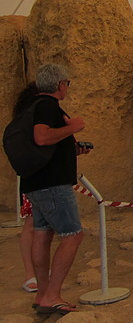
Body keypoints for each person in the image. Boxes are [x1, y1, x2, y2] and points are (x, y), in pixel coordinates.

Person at [20, 63, 91, 316]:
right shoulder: (48, 106)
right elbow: (42, 138)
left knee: (42, 234)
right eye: (68, 84)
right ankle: (52, 295)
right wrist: (74, 127)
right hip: (53, 185)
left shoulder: (31, 106)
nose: (68, 88)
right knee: (72, 235)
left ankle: (42, 294)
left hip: (36, 183)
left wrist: (72, 150)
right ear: (61, 84)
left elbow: (47, 144)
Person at [13, 81, 41, 294]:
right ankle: (30, 274)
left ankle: (38, 272)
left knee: (42, 225)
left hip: (45, 176)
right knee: (31, 224)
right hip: (34, 176)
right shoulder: (26, 122)